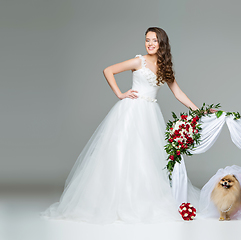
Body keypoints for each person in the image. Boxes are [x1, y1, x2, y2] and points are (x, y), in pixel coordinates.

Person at [40, 27, 204, 224]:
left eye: (154, 40)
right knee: (122, 153)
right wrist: (119, 93)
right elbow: (108, 70)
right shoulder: (138, 61)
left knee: (146, 157)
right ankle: (115, 201)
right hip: (131, 111)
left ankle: (140, 200)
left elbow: (178, 93)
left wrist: (198, 110)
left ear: (162, 43)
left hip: (150, 114)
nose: (150, 44)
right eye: (147, 40)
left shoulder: (164, 67)